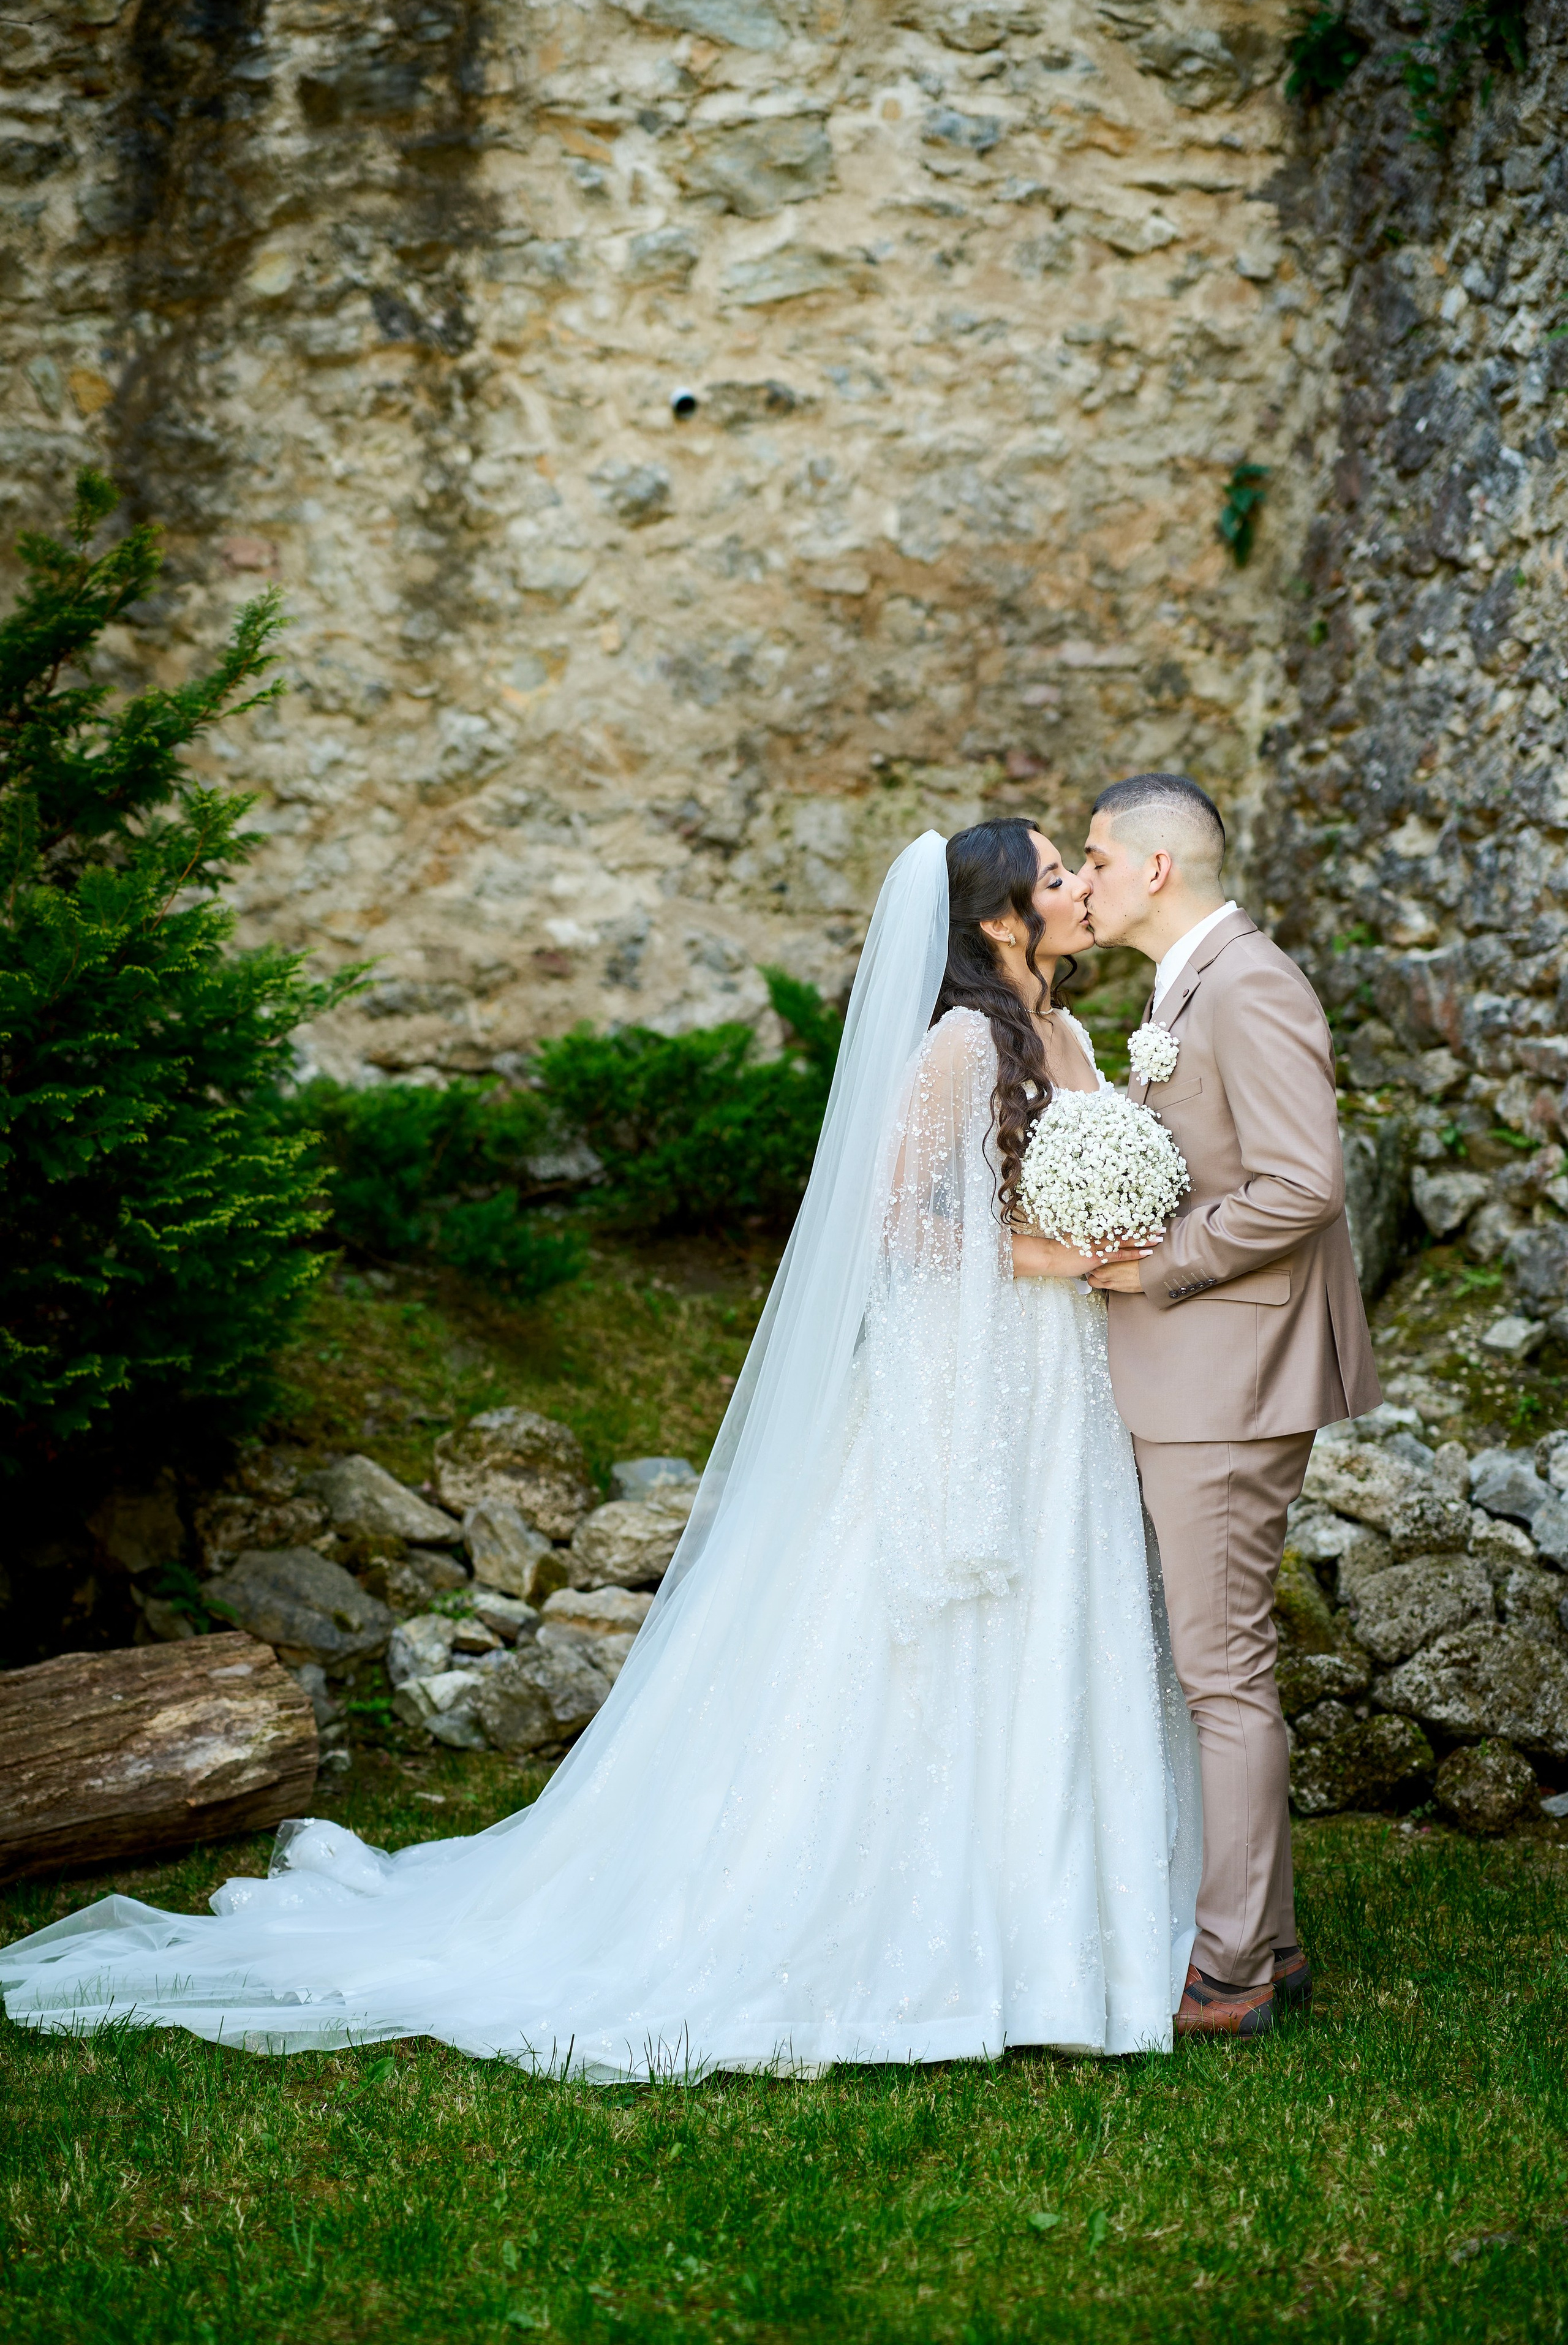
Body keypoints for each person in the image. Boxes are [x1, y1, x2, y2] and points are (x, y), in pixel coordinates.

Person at [2, 825, 1199, 2074]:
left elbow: (1029, 1190)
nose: (1076, 890)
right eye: (1056, 875)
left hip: (1056, 1377)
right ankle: (924, 1936)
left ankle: (1064, 1932)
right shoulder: (958, 1044)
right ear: (1001, 917)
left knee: (1057, 1618)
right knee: (931, 1636)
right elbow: (900, 1226)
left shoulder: (1059, 1037)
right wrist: (1059, 1258)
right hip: (975, 1374)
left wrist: (1104, 1229)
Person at [1082, 774, 1380, 2039]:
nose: (1080, 879)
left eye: (1093, 858)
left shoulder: (1247, 983)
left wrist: (1160, 1262)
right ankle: (1269, 1939)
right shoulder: (1188, 983)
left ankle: (1233, 1968)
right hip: (1198, 1371)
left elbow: (1300, 1184)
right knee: (1217, 1668)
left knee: (1221, 1675)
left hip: (1228, 1375)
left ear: (1155, 868)